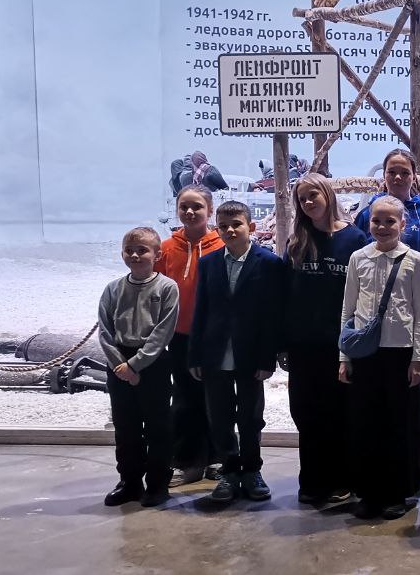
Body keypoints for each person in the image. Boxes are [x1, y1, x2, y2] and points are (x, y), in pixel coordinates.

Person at [188, 201, 287, 504]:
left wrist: (267, 358)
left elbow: (273, 316)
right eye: (223, 226)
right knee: (219, 417)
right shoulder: (208, 263)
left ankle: (252, 471)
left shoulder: (269, 263)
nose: (230, 230)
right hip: (215, 353)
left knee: (250, 417)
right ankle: (229, 472)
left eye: (236, 224)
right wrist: (195, 355)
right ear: (216, 229)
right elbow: (200, 310)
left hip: (250, 355)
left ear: (250, 227)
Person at [341, 195, 420, 520]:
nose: (382, 227)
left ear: (402, 224)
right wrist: (344, 357)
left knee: (399, 424)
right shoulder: (358, 258)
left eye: (390, 221)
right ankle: (369, 493)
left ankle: (397, 492)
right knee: (367, 423)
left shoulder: (414, 260)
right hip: (366, 354)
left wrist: (418, 358)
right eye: (376, 221)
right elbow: (348, 310)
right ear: (368, 223)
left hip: (401, 354)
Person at [283, 174, 368, 506]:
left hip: (340, 345)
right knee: (306, 412)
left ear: (328, 195)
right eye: (302, 198)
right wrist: (283, 343)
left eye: (313, 195)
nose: (308, 202)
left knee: (339, 412)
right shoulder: (297, 242)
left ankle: (342, 479)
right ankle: (312, 480)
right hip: (303, 345)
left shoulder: (355, 239)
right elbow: (286, 297)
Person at [98, 227, 180, 508]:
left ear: (157, 254)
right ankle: (129, 481)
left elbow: (163, 332)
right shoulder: (112, 289)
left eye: (142, 250)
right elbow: (105, 331)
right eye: (129, 250)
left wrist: (135, 365)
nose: (135, 255)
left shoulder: (167, 288)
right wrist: (120, 365)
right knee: (125, 425)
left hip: (153, 363)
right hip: (118, 363)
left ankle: (158, 483)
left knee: (158, 425)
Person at [157, 185, 224, 487]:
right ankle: (187, 461)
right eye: (184, 206)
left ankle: (218, 458)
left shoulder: (222, 246)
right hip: (180, 336)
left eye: (197, 206)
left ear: (210, 210)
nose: (190, 211)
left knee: (217, 398)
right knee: (184, 398)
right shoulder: (165, 248)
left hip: (215, 336)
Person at [355, 149, 420, 251]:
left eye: (405, 173)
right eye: (392, 172)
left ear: (414, 177)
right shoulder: (367, 215)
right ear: (384, 175)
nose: (398, 177)